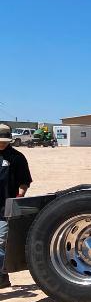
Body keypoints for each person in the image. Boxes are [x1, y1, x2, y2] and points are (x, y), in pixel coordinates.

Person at [0, 124, 33, 289]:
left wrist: (19, 198)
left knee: (1, 241)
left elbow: (23, 182)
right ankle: (2, 278)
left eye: (5, 141)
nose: (2, 144)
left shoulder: (17, 157)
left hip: (6, 207)